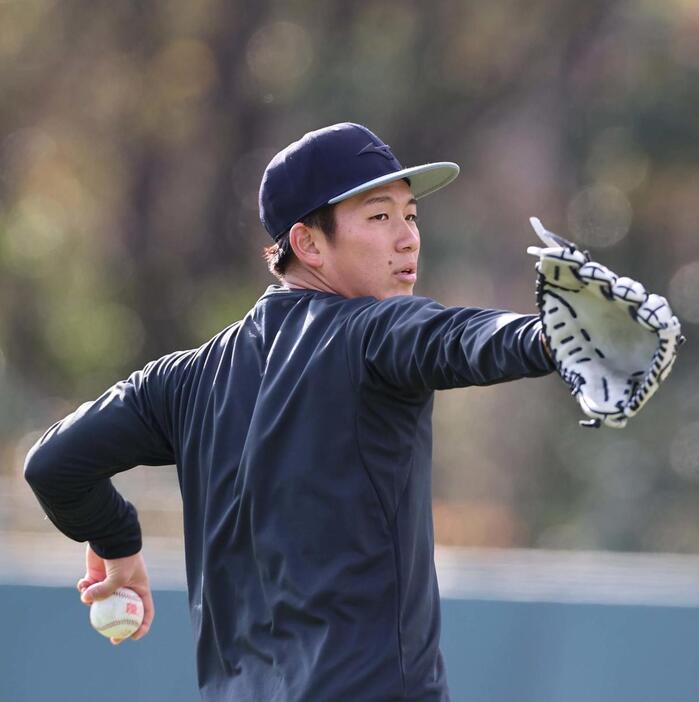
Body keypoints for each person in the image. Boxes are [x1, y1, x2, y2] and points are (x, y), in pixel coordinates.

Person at [23, 122, 556, 701]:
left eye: (410, 215)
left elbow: (54, 464)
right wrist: (551, 336)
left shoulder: (185, 380)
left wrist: (115, 541)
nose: (407, 238)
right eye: (379, 217)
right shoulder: (371, 332)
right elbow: (457, 338)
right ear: (307, 244)